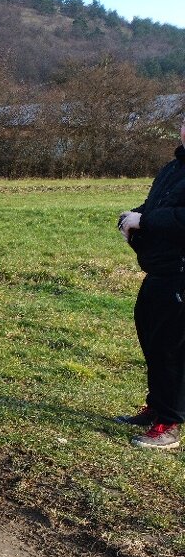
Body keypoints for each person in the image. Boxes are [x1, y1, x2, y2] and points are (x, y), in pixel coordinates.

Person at [116, 118, 185, 451]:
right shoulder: (174, 167)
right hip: (159, 271)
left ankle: (170, 423)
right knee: (154, 341)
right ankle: (156, 407)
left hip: (182, 274)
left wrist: (145, 220)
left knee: (174, 349)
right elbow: (157, 206)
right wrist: (132, 215)